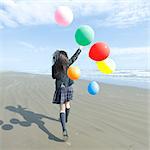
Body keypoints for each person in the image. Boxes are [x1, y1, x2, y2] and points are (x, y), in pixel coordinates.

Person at [52, 48, 81, 139]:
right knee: (68, 104)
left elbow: (53, 77)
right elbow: (74, 58)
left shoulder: (54, 66)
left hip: (61, 88)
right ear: (65, 56)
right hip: (69, 87)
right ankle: (66, 119)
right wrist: (79, 50)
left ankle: (64, 129)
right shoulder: (67, 63)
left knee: (62, 109)